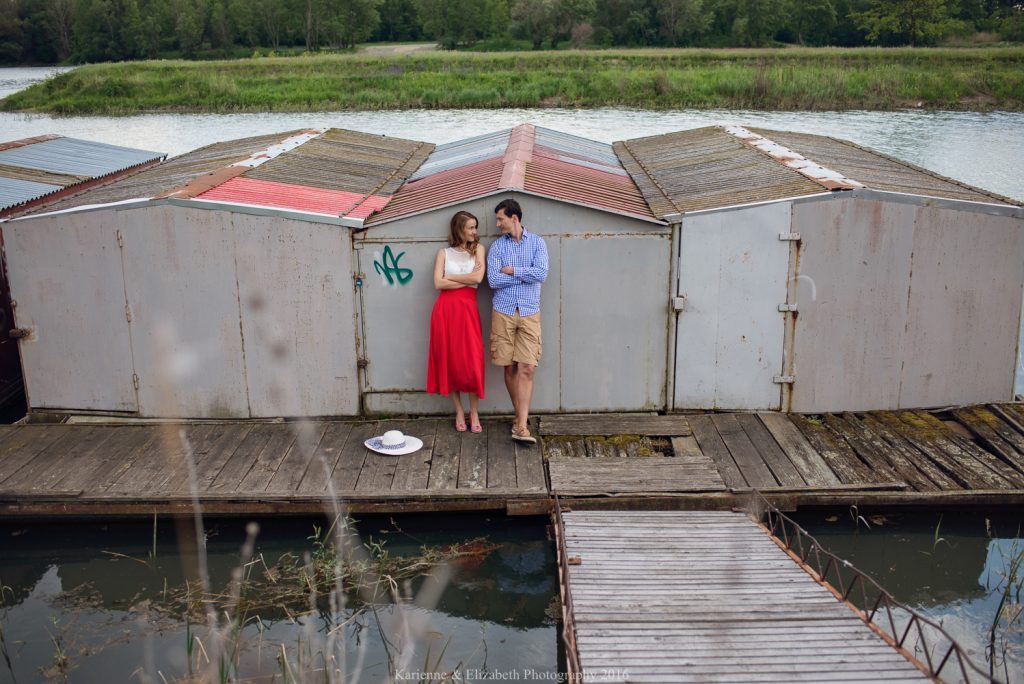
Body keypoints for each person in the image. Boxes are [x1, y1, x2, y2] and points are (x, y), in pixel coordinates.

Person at [487, 198, 548, 445]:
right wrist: (525, 275)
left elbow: (541, 273)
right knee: (509, 367)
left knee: (527, 367)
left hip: (529, 312)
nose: (498, 223)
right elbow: (492, 280)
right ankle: (520, 419)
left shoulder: (537, 243)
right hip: (503, 311)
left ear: (514, 218)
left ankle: (521, 425)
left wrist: (512, 271)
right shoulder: (497, 248)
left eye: (501, 219)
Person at [426, 211, 487, 432]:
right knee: (449, 360)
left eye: (475, 227)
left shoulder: (478, 250)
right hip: (445, 311)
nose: (474, 232)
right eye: (471, 228)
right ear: (459, 229)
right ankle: (459, 410)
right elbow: (437, 284)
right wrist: (462, 279)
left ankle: (474, 411)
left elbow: (478, 279)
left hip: (468, 310)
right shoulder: (443, 253)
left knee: (472, 361)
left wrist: (450, 277)